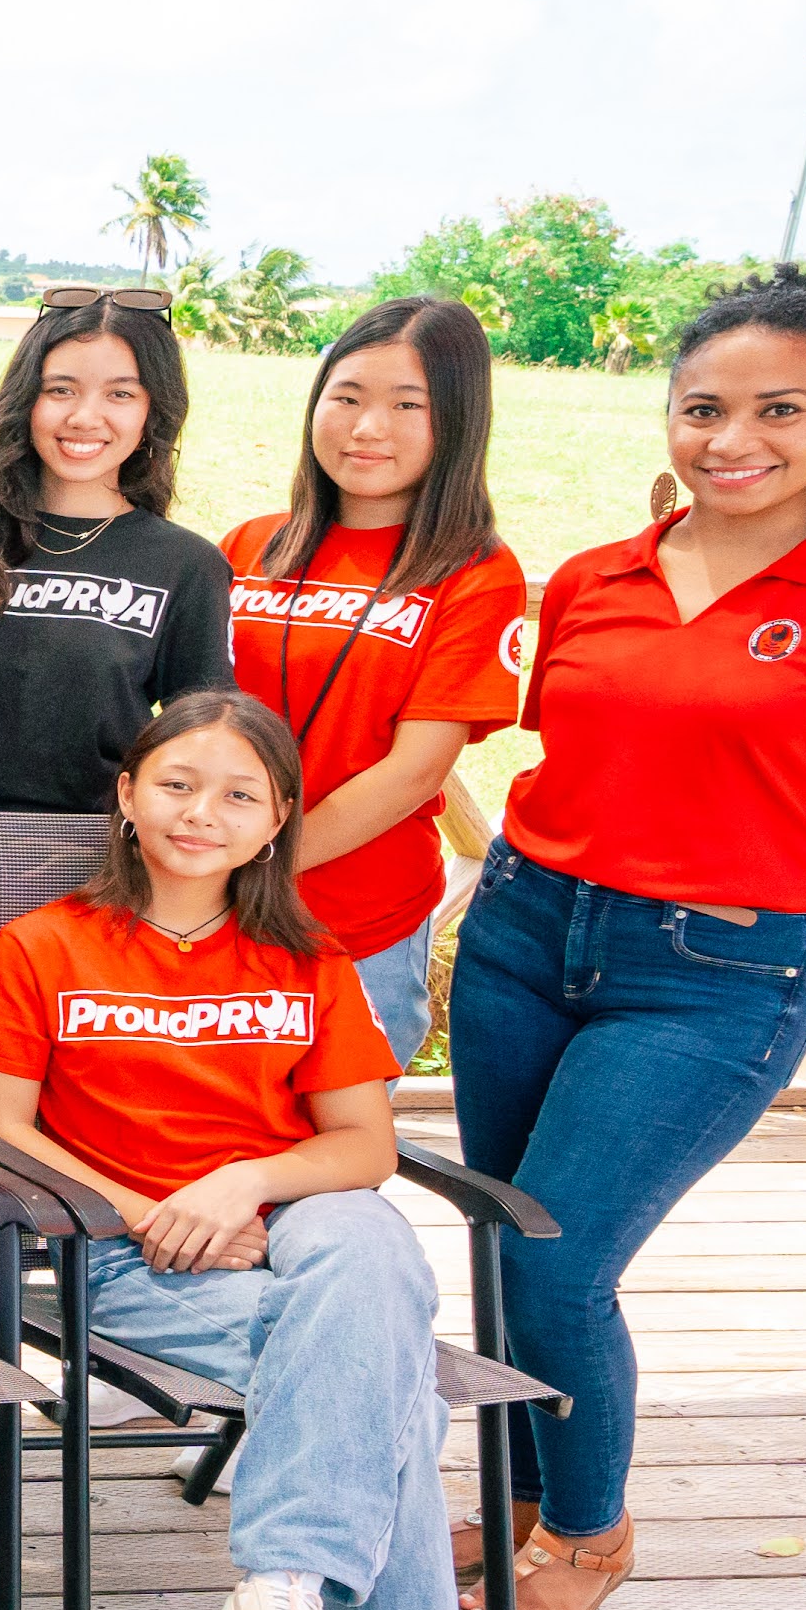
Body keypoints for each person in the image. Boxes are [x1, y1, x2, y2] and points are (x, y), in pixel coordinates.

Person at [452, 267, 806, 1610]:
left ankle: (589, 1527)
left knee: (559, 1262)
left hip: (713, 975)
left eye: (780, 409)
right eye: (703, 406)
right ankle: (516, 1496)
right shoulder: (596, 577)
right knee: (501, 1240)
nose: (731, 437)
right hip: (523, 931)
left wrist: (768, 911)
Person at [0, 690, 499, 1610]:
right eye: (176, 783)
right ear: (126, 796)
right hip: (112, 1250)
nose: (201, 812)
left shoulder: (306, 958)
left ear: (276, 819)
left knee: (362, 1236)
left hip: (275, 1231)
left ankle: (284, 1584)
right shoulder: (46, 943)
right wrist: (148, 1207)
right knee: (388, 1382)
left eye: (238, 793)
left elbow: (358, 1142)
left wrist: (239, 1182)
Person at [0, 289, 237, 1109]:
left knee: (52, 1140)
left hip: (90, 896)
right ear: (25, 399)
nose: (86, 415)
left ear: (154, 413)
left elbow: (205, 747)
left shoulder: (184, 565)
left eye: (120, 392)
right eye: (61, 387)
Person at [226, 297, 526, 1062]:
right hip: (211, 906)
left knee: (327, 1159)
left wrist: (253, 864)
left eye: (407, 405)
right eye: (348, 397)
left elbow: (415, 768)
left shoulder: (476, 574)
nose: (367, 428)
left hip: (356, 927)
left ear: (456, 422)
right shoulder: (249, 545)